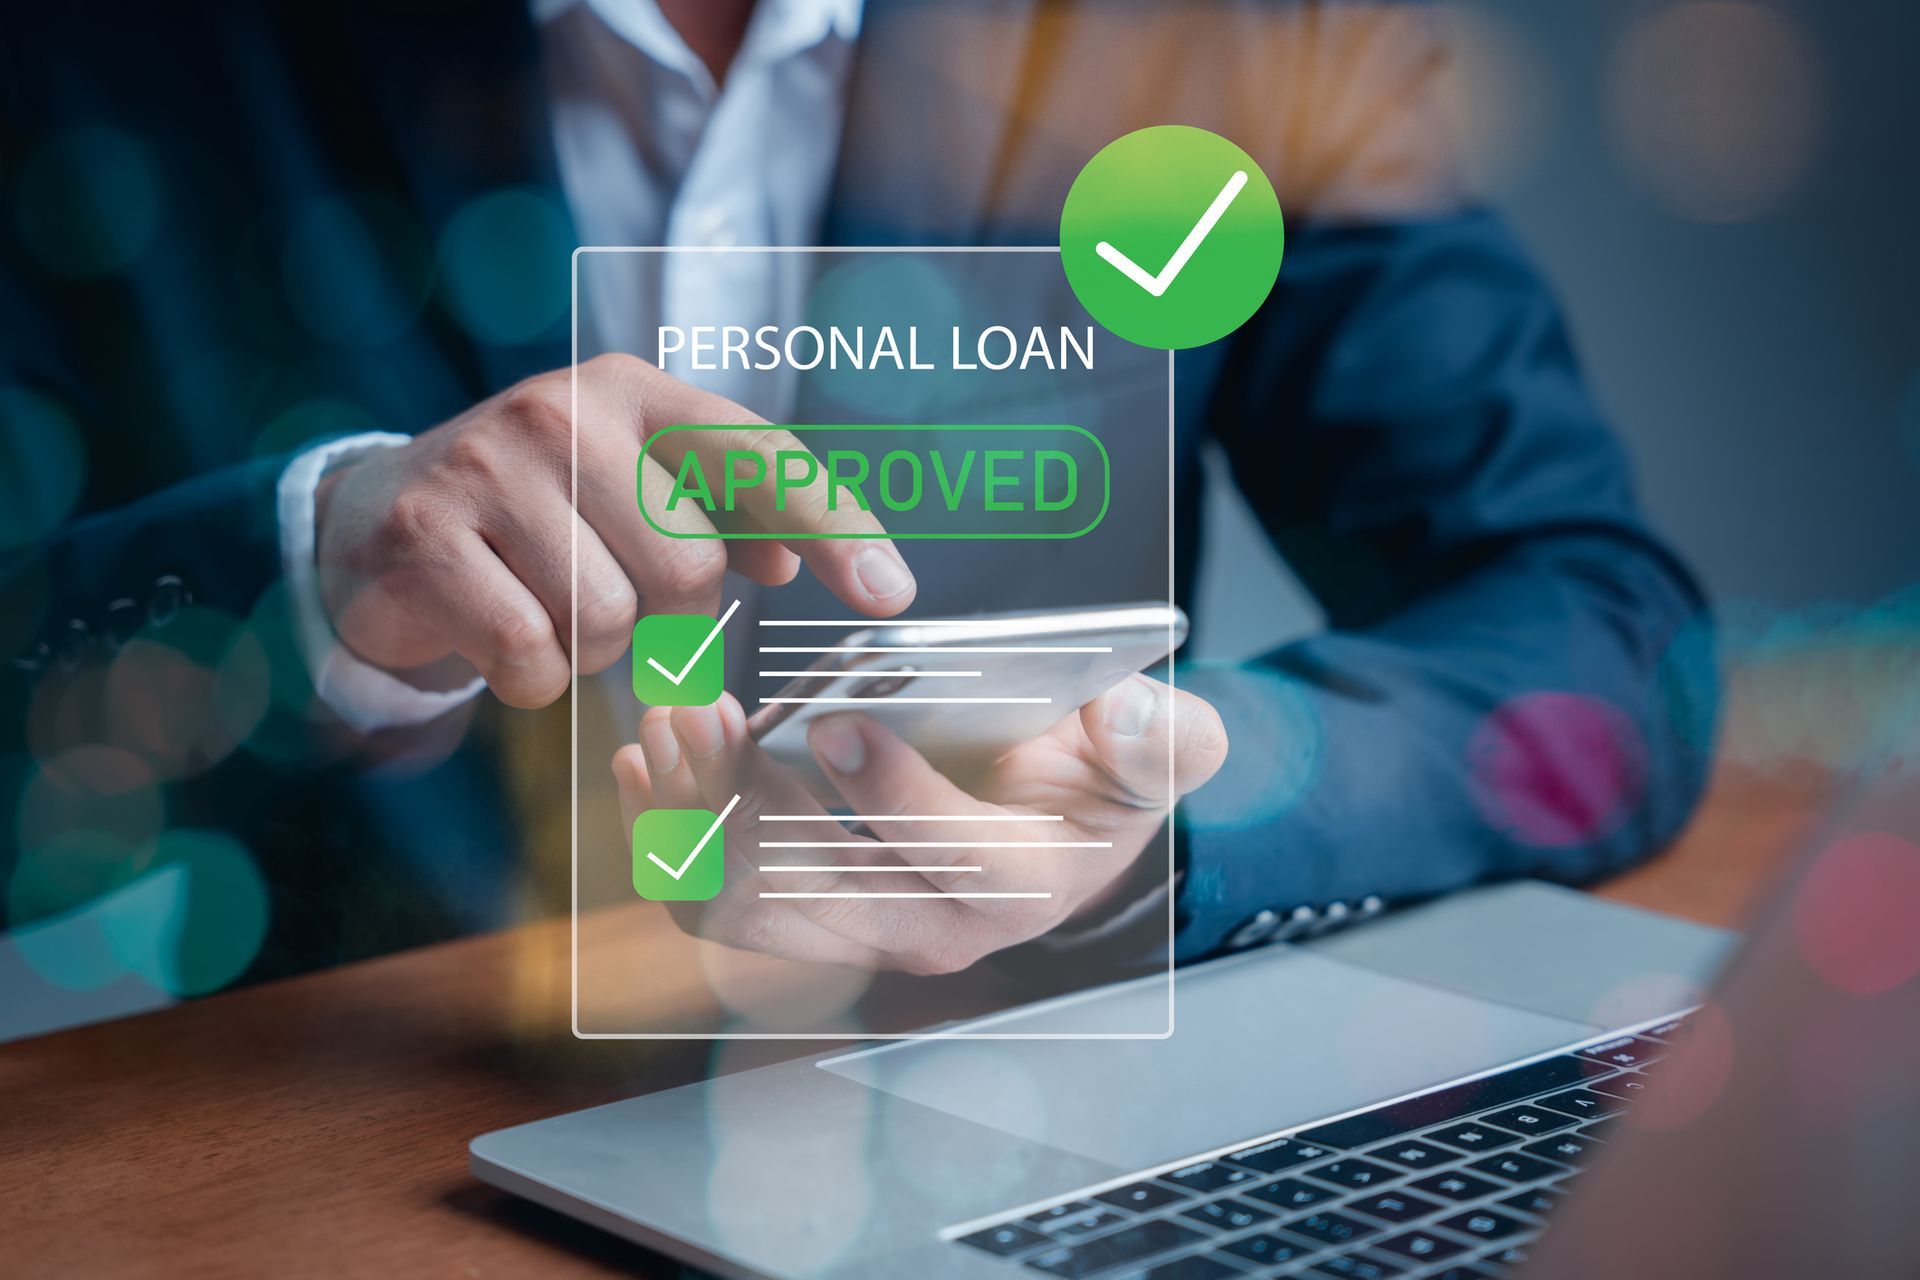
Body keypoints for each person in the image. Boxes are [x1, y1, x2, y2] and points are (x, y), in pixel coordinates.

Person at [0, 0, 1714, 991]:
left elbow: (1600, 635)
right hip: (327, 1152)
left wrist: (1160, 822)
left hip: (1016, 1116)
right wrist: (306, 575)